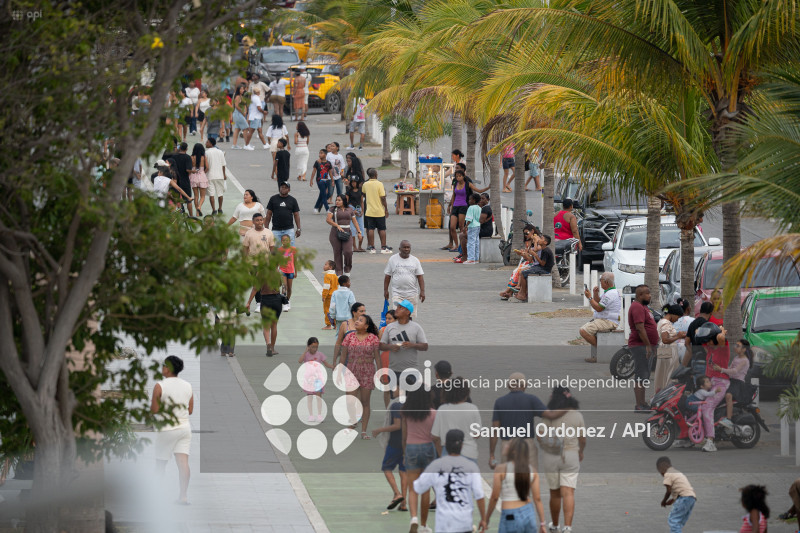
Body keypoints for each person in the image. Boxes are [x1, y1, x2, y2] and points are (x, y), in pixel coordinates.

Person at [410, 429, 486, 533]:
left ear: (445, 444)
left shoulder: (436, 466)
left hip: (444, 524)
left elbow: (417, 488)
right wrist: (483, 519)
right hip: (464, 522)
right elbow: (479, 495)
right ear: (462, 445)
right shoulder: (471, 467)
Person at [489, 373, 563, 472]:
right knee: (530, 477)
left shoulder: (499, 402)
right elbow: (550, 415)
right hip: (527, 445)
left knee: (508, 477)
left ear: (509, 385)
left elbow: (495, 429)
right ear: (525, 385)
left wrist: (492, 455)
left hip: (507, 445)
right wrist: (567, 407)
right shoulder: (532, 399)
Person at [538, 387, 585, 533]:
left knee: (554, 492)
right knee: (568, 492)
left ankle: (555, 524)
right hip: (571, 455)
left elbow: (540, 435)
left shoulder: (549, 414)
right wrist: (581, 452)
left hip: (551, 456)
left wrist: (547, 443)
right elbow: (582, 439)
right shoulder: (577, 415)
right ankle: (568, 527)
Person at [151, 355, 194, 505]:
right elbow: (190, 410)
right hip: (184, 429)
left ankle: (156, 497)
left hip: (167, 429)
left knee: (160, 464)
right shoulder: (188, 385)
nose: (162, 367)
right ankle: (183, 497)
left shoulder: (160, 386)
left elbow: (154, 410)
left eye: (163, 365)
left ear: (168, 368)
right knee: (183, 463)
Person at [483, 438, 547, 533]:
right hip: (528, 512)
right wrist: (542, 524)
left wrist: (486, 519)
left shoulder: (501, 469)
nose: (505, 445)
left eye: (508, 445)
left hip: (510, 514)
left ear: (513, 451)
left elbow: (494, 497)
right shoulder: (531, 470)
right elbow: (537, 499)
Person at [339, 314, 381, 438]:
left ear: (366, 326)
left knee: (365, 402)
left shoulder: (373, 338)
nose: (357, 321)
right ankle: (353, 421)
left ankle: (363, 431)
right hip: (351, 370)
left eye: (360, 320)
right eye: (357, 320)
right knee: (350, 400)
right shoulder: (349, 337)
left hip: (367, 371)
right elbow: (343, 355)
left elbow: (377, 357)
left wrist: (380, 373)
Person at [403, 387, 437, 525]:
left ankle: (414, 518)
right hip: (428, 448)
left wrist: (404, 452)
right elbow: (436, 436)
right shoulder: (433, 413)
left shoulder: (406, 412)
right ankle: (424, 524)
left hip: (411, 447)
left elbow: (404, 434)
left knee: (412, 488)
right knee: (426, 489)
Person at [379, 300, 428, 394]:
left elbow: (425, 346)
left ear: (408, 312)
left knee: (410, 399)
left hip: (411, 371)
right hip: (393, 370)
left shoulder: (416, 327)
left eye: (400, 308)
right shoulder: (390, 327)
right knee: (395, 399)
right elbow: (381, 346)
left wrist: (413, 345)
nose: (397, 309)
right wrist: (390, 347)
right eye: (397, 307)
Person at [431, 378, 481, 462]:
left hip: (447, 453)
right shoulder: (473, 408)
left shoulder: (442, 409)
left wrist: (441, 453)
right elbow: (477, 434)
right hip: (469, 452)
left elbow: (435, 437)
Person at [372, 395, 407, 512]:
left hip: (395, 443)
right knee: (403, 472)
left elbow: (397, 425)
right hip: (408, 443)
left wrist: (379, 430)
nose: (392, 391)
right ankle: (403, 503)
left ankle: (397, 493)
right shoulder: (412, 404)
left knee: (387, 468)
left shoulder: (396, 405)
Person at [628, 284, 659, 411]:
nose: (650, 295)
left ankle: (642, 402)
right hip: (640, 346)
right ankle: (639, 405)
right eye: (647, 293)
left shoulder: (643, 307)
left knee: (644, 375)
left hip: (646, 346)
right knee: (641, 375)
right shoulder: (637, 307)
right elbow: (640, 328)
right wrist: (648, 345)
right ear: (640, 295)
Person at [580, 272, 622, 362]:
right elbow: (600, 303)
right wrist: (595, 294)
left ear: (606, 282)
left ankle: (603, 352)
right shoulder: (609, 292)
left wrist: (590, 298)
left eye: (601, 280)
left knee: (584, 331)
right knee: (587, 328)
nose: (600, 282)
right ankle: (601, 352)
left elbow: (599, 308)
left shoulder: (610, 294)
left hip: (608, 321)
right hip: (605, 320)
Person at [715, 339, 753, 425]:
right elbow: (730, 368)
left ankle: (729, 419)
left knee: (728, 396)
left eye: (738, 346)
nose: (735, 347)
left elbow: (735, 371)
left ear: (744, 349)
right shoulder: (736, 358)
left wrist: (721, 369)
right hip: (731, 380)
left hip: (738, 382)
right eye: (736, 345)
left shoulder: (745, 360)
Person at [384, 240, 425, 317]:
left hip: (412, 294)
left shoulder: (415, 260)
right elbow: (387, 276)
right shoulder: (392, 259)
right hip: (397, 294)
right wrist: (385, 290)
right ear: (399, 249)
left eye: (408, 247)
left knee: (409, 316)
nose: (406, 249)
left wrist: (422, 291)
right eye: (404, 247)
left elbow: (420, 277)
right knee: (397, 315)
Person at [656, 457, 696, 533]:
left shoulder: (668, 474)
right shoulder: (677, 472)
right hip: (691, 498)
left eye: (660, 471)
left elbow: (668, 491)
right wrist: (672, 500)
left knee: (673, 520)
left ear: (662, 467)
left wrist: (664, 501)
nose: (661, 474)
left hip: (684, 498)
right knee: (679, 522)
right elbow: (681, 488)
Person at [653, 304, 688, 392]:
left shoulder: (662, 321)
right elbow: (665, 340)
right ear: (673, 314)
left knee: (663, 373)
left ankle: (662, 392)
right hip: (668, 349)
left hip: (664, 349)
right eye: (678, 317)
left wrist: (678, 336)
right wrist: (678, 336)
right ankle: (667, 393)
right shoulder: (666, 323)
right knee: (669, 374)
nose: (677, 320)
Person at [298, 337, 332, 422]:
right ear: (308, 346)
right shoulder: (306, 355)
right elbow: (300, 361)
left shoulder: (320, 354)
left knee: (318, 397)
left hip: (318, 380)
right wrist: (305, 351)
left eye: (316, 347)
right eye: (313, 347)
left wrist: (332, 366)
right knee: (310, 398)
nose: (315, 349)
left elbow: (326, 363)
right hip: (309, 380)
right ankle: (311, 415)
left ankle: (319, 415)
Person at [512, 235, 555, 302]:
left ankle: (523, 294)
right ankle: (521, 292)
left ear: (545, 242)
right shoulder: (543, 250)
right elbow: (531, 259)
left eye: (541, 238)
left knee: (523, 273)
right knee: (522, 272)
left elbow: (542, 264)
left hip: (544, 269)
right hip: (540, 267)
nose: (539, 240)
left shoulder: (546, 251)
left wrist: (535, 255)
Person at [327, 194, 362, 275]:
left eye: (339, 200)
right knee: (337, 253)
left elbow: (355, 222)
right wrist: (337, 225)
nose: (337, 202)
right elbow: (328, 220)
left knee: (348, 252)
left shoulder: (350, 210)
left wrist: (359, 232)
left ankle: (347, 268)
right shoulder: (333, 209)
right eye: (336, 200)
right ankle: (339, 272)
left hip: (347, 233)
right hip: (335, 233)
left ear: (344, 201)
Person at [499, 225, 537, 300]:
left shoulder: (536, 242)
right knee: (515, 271)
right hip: (529, 262)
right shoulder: (528, 242)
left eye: (527, 233)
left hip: (533, 263)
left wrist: (525, 254)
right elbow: (528, 257)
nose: (525, 235)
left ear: (532, 231)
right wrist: (522, 254)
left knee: (519, 270)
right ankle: (510, 291)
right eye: (524, 234)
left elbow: (532, 258)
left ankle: (509, 291)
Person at [362, 168, 392, 254]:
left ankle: (372, 247)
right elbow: (383, 197)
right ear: (376, 175)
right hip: (379, 211)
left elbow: (364, 193)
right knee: (382, 229)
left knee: (370, 229)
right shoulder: (379, 184)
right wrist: (386, 209)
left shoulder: (365, 184)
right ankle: (383, 247)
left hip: (369, 210)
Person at [682, 301, 715, 372]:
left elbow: (686, 342)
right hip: (704, 361)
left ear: (700, 310)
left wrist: (691, 352)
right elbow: (705, 344)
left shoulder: (692, 324)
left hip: (695, 359)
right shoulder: (707, 325)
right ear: (710, 313)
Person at [265, 181, 301, 245]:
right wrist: (266, 228)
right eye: (282, 187)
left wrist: (298, 228)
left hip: (289, 229)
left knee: (289, 248)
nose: (283, 189)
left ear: (289, 190)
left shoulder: (293, 200)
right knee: (276, 249)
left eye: (285, 187)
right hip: (276, 229)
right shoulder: (273, 199)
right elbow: (269, 214)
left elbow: (296, 215)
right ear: (279, 188)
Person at [260, 276, 283, 358]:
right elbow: (280, 284)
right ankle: (272, 348)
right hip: (276, 299)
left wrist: (249, 302)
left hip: (265, 299)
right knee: (274, 325)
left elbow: (255, 287)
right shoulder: (276, 271)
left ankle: (268, 344)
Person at [204, 138, 228, 216]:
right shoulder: (220, 152)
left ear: (211, 144)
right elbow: (223, 165)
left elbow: (205, 165)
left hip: (209, 176)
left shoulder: (206, 153)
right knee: (220, 193)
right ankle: (220, 208)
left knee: (211, 194)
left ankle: (214, 210)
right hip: (219, 175)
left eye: (207, 142)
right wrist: (224, 174)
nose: (206, 143)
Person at [172, 142, 194, 215]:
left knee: (178, 198)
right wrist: (193, 171)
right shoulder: (187, 157)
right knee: (188, 200)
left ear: (179, 148)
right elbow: (188, 170)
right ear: (186, 149)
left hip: (176, 180)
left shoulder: (174, 157)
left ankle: (181, 212)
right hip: (185, 180)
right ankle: (191, 215)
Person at [346, 175, 366, 252]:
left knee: (361, 228)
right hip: (351, 208)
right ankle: (354, 247)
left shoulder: (360, 191)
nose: (353, 183)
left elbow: (361, 202)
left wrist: (362, 211)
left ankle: (360, 246)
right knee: (352, 229)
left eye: (355, 182)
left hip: (358, 209)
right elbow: (346, 202)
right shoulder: (349, 191)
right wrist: (351, 211)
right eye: (352, 182)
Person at [277, 234, 297, 310]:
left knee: (289, 288)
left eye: (287, 240)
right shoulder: (279, 250)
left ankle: (288, 300)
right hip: (283, 271)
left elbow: (295, 261)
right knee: (284, 286)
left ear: (290, 241)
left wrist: (296, 272)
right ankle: (284, 303)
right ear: (281, 241)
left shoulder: (293, 249)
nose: (285, 242)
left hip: (291, 271)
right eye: (283, 240)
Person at [244, 86, 267, 151]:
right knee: (251, 131)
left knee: (260, 131)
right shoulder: (256, 98)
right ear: (258, 92)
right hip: (255, 117)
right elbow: (259, 108)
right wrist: (264, 112)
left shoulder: (253, 97)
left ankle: (265, 144)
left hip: (257, 117)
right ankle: (246, 145)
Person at [189, 142, 209, 216]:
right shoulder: (203, 157)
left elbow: (190, 167)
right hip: (202, 176)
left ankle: (197, 213)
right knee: (202, 196)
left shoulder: (191, 157)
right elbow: (207, 167)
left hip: (193, 176)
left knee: (196, 196)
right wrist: (203, 172)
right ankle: (199, 207)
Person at [463, 193, 482, 264]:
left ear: (474, 200)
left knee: (471, 243)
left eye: (470, 199)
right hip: (478, 226)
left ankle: (471, 259)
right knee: (476, 242)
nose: (469, 201)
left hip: (472, 226)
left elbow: (469, 219)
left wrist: (465, 227)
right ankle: (476, 258)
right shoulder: (479, 208)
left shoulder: (471, 208)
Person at [311, 148, 332, 213]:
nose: (319, 154)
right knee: (324, 194)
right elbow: (314, 171)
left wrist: (333, 181)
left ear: (325, 154)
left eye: (321, 153)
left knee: (323, 194)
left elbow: (330, 172)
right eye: (319, 153)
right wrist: (311, 180)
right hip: (319, 180)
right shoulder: (317, 162)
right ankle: (327, 209)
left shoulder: (328, 163)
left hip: (326, 180)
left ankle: (316, 207)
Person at [321, 260, 339, 330]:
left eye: (326, 264)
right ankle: (335, 325)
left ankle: (328, 325)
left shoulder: (327, 275)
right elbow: (338, 286)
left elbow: (326, 287)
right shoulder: (335, 276)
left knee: (327, 310)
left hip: (329, 296)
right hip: (335, 296)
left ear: (330, 267)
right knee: (334, 310)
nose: (324, 266)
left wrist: (324, 296)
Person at [231, 85, 249, 149]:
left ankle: (234, 145)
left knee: (237, 129)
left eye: (243, 89)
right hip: (238, 114)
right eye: (241, 89)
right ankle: (246, 144)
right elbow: (236, 106)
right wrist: (242, 112)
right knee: (246, 128)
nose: (242, 90)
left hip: (238, 114)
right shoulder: (238, 96)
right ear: (238, 90)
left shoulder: (241, 96)